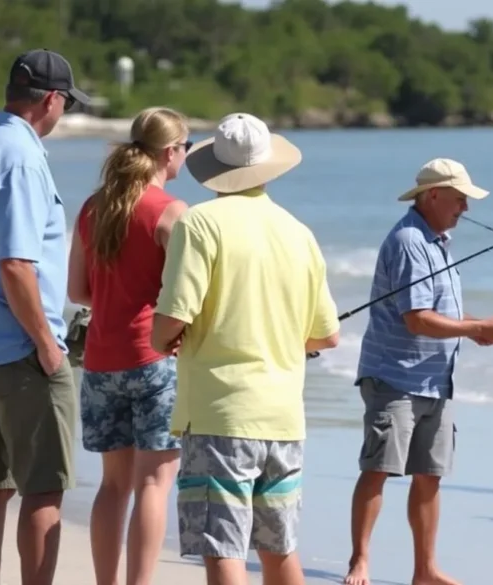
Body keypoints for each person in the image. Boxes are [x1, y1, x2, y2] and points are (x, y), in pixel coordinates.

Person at [151, 112, 341, 585]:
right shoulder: (299, 233)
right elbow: (325, 335)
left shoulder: (199, 224)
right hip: (283, 418)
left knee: (223, 551)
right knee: (278, 551)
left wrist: (167, 338)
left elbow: (170, 321)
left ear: (214, 168)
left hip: (221, 413)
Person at [344, 158, 493, 585]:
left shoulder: (438, 240)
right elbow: (417, 319)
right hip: (394, 375)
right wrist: (477, 329)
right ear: (434, 195)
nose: (466, 209)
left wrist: (483, 324)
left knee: (430, 475)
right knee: (378, 468)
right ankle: (359, 562)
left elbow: (444, 313)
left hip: (436, 379)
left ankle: (425, 570)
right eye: (460, 199)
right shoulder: (408, 241)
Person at [0, 49, 90, 585]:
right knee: (43, 488)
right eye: (66, 104)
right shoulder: (21, 157)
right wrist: (47, 343)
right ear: (51, 100)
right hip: (18, 350)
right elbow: (16, 263)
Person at [68, 106, 191, 585]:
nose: (186, 155)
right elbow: (189, 295)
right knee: (154, 484)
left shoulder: (93, 207)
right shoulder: (172, 212)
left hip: (101, 361)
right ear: (168, 152)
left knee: (112, 486)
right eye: (186, 146)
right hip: (154, 359)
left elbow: (78, 291)